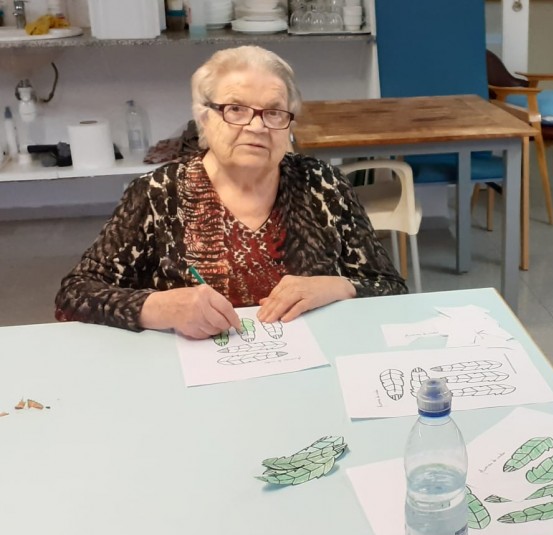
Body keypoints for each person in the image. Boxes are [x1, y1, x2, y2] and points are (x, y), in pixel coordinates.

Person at [55, 46, 406, 337]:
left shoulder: (324, 185)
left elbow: (391, 287)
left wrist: (338, 286)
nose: (256, 126)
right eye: (235, 109)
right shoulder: (157, 194)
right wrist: (159, 307)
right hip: (195, 375)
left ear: (289, 125)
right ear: (205, 118)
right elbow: (75, 294)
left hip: (311, 363)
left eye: (273, 112)